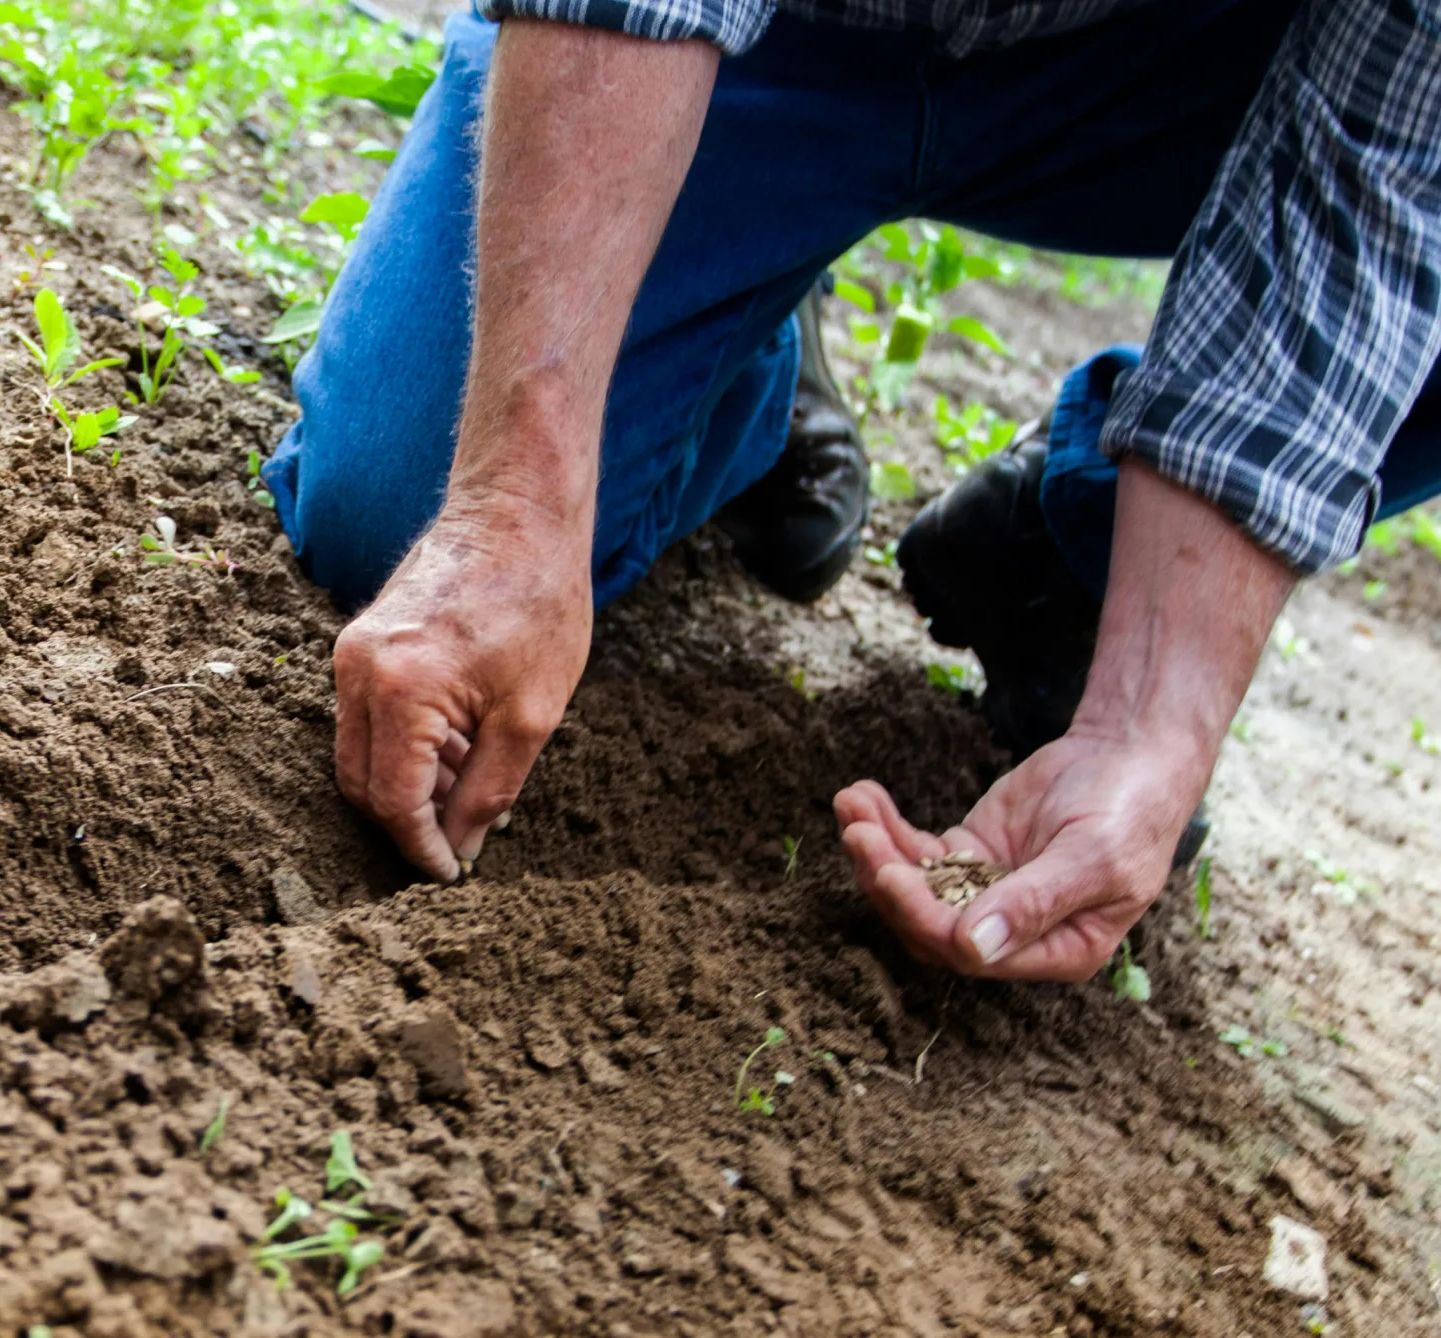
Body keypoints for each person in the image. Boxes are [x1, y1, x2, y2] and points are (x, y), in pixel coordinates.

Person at [260, 0, 1441, 981]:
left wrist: (1150, 724)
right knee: (397, 506)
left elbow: (1374, 184)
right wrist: (512, 503)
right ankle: (744, 339)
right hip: (782, 33)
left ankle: (1078, 541)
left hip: (1173, 70)